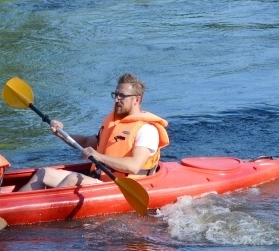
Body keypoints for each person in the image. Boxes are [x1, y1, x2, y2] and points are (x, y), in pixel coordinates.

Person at [18, 73, 169, 191]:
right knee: (44, 173)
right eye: (115, 95)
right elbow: (86, 143)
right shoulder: (112, 123)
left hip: (124, 186)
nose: (116, 99)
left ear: (137, 99)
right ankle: (17, 206)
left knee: (72, 178)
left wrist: (99, 156)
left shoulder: (147, 129)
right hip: (100, 180)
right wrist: (61, 133)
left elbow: (134, 166)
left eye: (122, 96)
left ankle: (38, 210)